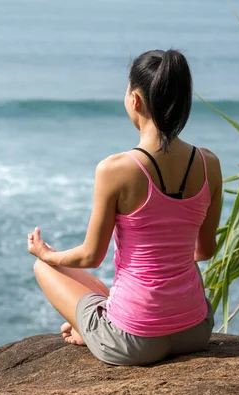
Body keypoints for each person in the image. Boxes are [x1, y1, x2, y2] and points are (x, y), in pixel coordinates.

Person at [28, 49, 223, 366]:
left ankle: (92, 330)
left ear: (135, 100)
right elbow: (204, 251)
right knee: (119, 290)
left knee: (45, 268)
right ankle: (98, 327)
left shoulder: (115, 169)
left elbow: (91, 256)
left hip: (134, 342)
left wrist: (46, 253)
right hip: (195, 331)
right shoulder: (209, 163)